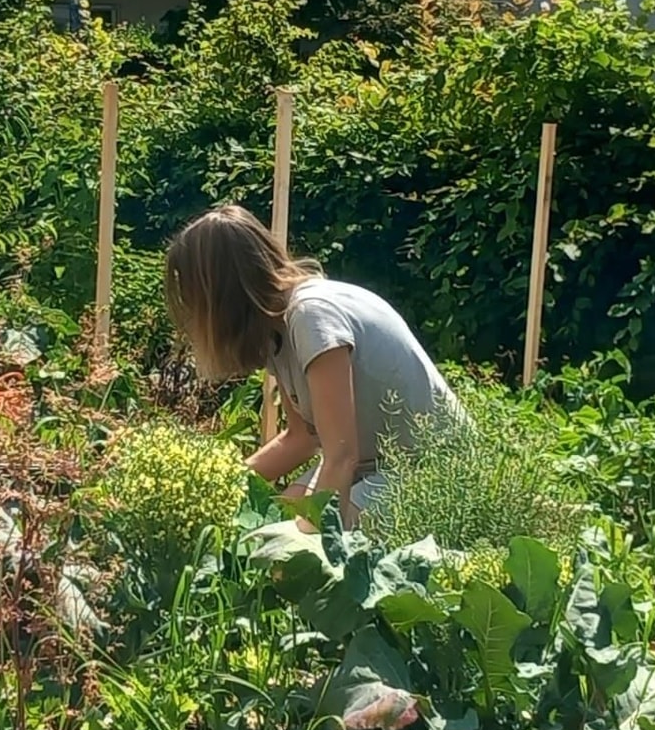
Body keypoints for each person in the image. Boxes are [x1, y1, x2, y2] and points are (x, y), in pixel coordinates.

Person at [161, 204, 461, 525]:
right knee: (273, 521)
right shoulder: (277, 329)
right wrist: (211, 490)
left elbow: (341, 456)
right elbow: (301, 439)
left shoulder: (311, 316)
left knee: (289, 541)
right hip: (373, 465)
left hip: (430, 468)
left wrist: (308, 537)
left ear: (220, 293)